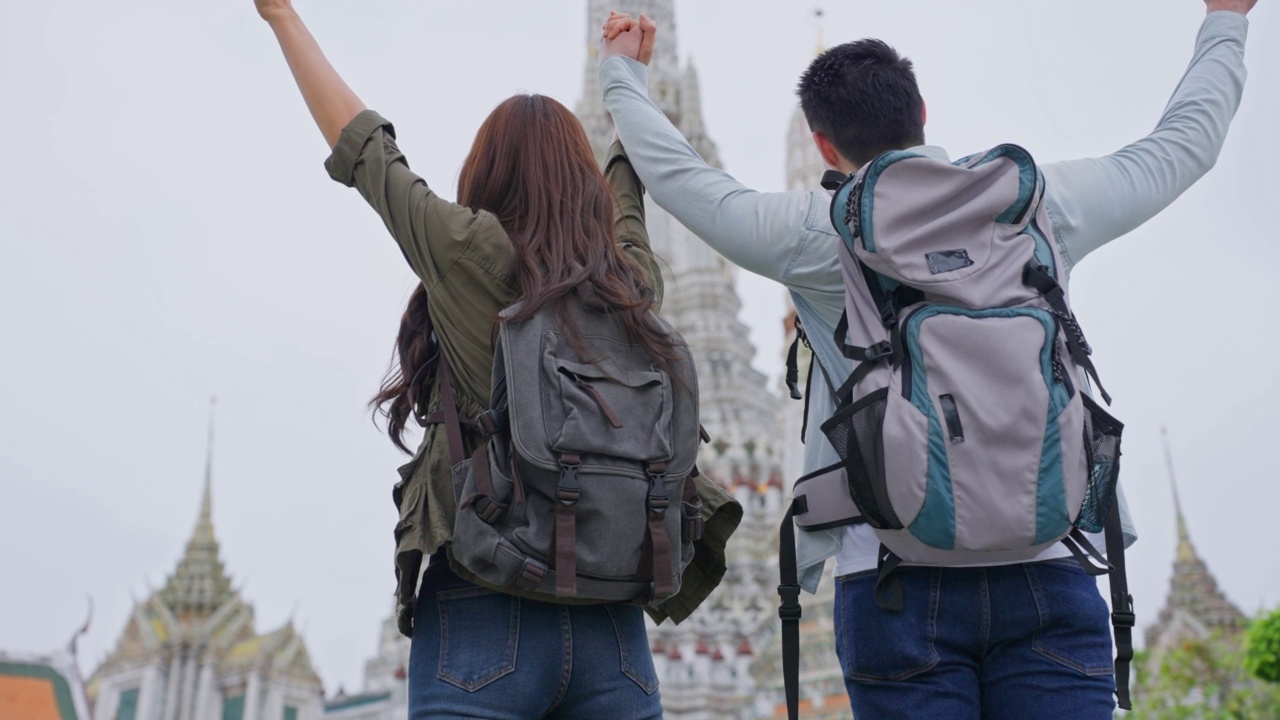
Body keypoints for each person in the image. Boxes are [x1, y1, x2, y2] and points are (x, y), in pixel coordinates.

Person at [599, 2, 1254, 718]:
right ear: (923, 113)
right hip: (1050, 561)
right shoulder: (1037, 202)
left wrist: (623, 75)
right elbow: (1185, 144)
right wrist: (1225, 18)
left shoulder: (821, 231)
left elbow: (680, 179)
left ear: (822, 146)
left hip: (892, 577)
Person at [254, 4, 741, 718]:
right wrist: (626, 78)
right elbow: (627, 180)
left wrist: (282, 18)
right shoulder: (630, 279)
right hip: (614, 616)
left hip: (486, 605)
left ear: (486, 172)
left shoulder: (468, 251)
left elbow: (363, 149)